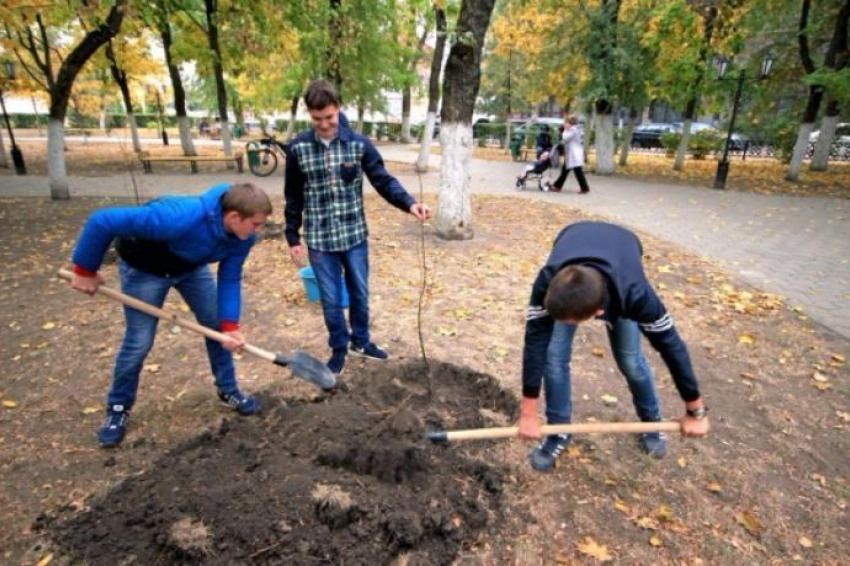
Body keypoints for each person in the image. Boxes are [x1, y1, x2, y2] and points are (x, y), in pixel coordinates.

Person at [69, 183, 273, 447]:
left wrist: (230, 325)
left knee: (217, 329)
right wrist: (85, 269)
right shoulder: (177, 217)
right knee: (139, 342)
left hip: (190, 268)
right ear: (234, 217)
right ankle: (118, 408)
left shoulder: (242, 237)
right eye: (255, 224)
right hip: (145, 270)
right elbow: (103, 220)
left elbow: (230, 277)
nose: (258, 230)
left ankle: (228, 390)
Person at [518, 221, 709, 471]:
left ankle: (651, 421)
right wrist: (528, 414)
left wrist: (696, 412)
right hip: (573, 236)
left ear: (599, 312)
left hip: (623, 253)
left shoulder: (636, 296)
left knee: (629, 359)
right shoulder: (547, 282)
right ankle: (559, 431)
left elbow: (671, 347)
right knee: (553, 356)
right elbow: (535, 342)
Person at [284, 79, 431, 377]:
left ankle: (361, 341)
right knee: (330, 299)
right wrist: (292, 236)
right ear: (309, 114)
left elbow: (383, 180)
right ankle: (339, 348)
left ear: (338, 109)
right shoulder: (298, 149)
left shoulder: (358, 144)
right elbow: (293, 195)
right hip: (320, 239)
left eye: (329, 117)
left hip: (354, 237)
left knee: (360, 293)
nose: (324, 125)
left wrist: (409, 203)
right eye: (317, 119)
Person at [550, 116, 590, 194]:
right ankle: (558, 186)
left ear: (570, 123)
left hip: (574, 154)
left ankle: (584, 188)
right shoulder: (575, 129)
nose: (564, 124)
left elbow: (565, 138)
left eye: (565, 123)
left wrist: (565, 130)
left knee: (576, 171)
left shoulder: (573, 130)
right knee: (566, 171)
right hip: (572, 154)